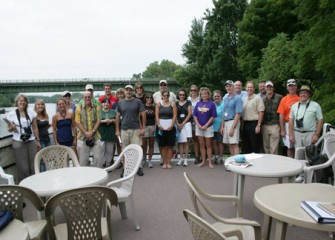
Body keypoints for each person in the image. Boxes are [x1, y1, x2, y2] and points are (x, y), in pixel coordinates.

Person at [289, 85, 323, 183]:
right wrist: (291, 134)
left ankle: (311, 176)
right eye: (301, 93)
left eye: (305, 93)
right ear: (299, 94)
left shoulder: (315, 105)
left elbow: (320, 120)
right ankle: (301, 175)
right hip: (297, 133)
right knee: (299, 155)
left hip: (310, 133)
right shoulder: (295, 106)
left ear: (309, 94)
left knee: (310, 155)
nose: (303, 94)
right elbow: (291, 120)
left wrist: (317, 134)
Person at [6, 94, 41, 181]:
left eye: (24, 100)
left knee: (34, 165)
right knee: (23, 167)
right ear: (17, 102)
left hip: (31, 141)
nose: (22, 102)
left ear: (26, 102)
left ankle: (35, 183)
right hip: (18, 141)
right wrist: (12, 128)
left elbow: (35, 128)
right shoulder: (11, 114)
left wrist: (38, 140)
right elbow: (9, 130)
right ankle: (24, 186)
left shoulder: (31, 113)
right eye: (20, 100)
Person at [116, 85, 146, 176]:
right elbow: (117, 116)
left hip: (136, 129)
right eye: (127, 90)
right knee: (125, 150)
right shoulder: (120, 102)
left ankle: (138, 167)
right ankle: (125, 168)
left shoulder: (137, 101)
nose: (128, 91)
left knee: (137, 149)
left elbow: (143, 114)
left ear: (132, 91)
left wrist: (143, 128)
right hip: (124, 130)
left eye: (130, 90)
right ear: (124, 91)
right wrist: (117, 129)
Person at [75, 91, 102, 167]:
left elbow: (98, 120)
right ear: (83, 98)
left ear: (91, 97)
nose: (87, 98)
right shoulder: (78, 108)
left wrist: (92, 132)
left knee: (98, 158)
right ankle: (85, 176)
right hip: (82, 137)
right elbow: (77, 122)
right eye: (85, 97)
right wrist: (85, 133)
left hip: (95, 136)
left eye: (89, 97)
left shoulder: (96, 107)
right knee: (83, 161)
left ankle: (97, 175)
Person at [193, 87, 217, 168]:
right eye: (202, 94)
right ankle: (203, 161)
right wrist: (198, 125)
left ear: (208, 94)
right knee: (201, 144)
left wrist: (206, 125)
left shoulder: (211, 104)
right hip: (199, 127)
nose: (204, 95)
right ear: (200, 95)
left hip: (208, 127)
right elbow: (194, 115)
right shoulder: (198, 103)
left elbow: (213, 116)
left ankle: (210, 162)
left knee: (208, 144)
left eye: (205, 93)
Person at [277, 79, 300, 157]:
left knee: (298, 147)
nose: (291, 88)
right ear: (287, 88)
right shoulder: (284, 99)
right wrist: (282, 130)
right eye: (290, 86)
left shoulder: (300, 98)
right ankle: (291, 164)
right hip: (287, 125)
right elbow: (281, 115)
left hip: (298, 125)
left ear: (296, 87)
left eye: (293, 86)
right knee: (289, 147)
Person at [220, 80, 243, 156]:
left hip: (233, 121)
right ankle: (233, 159)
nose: (228, 88)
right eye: (227, 86)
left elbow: (238, 114)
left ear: (233, 87)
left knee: (234, 143)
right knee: (228, 143)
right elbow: (224, 113)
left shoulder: (237, 98)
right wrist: (222, 126)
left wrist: (233, 127)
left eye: (230, 86)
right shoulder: (225, 98)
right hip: (226, 122)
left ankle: (236, 161)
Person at [155, 89, 177, 169]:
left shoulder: (173, 104)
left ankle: (168, 162)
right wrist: (159, 124)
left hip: (170, 127)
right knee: (163, 146)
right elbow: (157, 115)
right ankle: (164, 162)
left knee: (170, 145)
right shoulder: (158, 104)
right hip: (161, 128)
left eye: (167, 95)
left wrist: (172, 125)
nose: (166, 97)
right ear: (162, 96)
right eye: (164, 95)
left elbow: (174, 115)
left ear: (169, 96)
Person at [241, 81, 265, 153]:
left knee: (255, 145)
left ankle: (256, 163)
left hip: (254, 123)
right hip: (245, 124)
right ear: (245, 88)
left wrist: (258, 125)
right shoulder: (244, 99)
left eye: (251, 87)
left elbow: (261, 112)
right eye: (248, 87)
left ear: (254, 89)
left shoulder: (257, 98)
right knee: (246, 145)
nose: (249, 89)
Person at [261, 81, 283, 154]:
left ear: (273, 88)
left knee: (274, 148)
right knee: (266, 147)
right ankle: (268, 163)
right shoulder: (263, 99)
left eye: (270, 87)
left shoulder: (279, 97)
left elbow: (282, 112)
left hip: (275, 124)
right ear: (265, 88)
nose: (269, 88)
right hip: (265, 125)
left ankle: (274, 163)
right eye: (267, 87)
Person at [176, 88, 192, 167]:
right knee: (180, 142)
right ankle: (180, 159)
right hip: (178, 124)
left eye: (183, 94)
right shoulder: (176, 103)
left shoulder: (188, 102)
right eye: (180, 94)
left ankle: (186, 159)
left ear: (185, 95)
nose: (182, 96)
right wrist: (178, 124)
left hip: (186, 124)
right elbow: (174, 114)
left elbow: (189, 114)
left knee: (186, 142)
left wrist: (183, 123)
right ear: (178, 95)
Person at [99, 98, 116, 167]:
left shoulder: (113, 111)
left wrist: (111, 120)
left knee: (110, 150)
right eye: (104, 102)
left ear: (109, 104)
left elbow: (117, 120)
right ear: (101, 104)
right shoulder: (98, 112)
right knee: (101, 150)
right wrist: (104, 121)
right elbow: (95, 121)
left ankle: (108, 164)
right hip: (101, 134)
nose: (106, 104)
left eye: (107, 102)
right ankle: (102, 163)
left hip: (110, 134)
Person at [187, 85, 200, 164]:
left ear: (197, 91)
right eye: (192, 90)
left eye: (195, 90)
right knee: (187, 140)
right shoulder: (187, 99)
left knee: (196, 140)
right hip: (188, 121)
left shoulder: (199, 100)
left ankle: (197, 156)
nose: (193, 92)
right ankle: (185, 157)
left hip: (197, 121)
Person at [142, 94, 155, 168]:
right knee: (144, 145)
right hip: (144, 127)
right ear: (145, 99)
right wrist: (141, 128)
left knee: (151, 144)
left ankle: (150, 160)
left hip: (152, 126)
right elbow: (139, 117)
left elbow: (156, 117)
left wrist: (155, 127)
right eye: (147, 97)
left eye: (150, 98)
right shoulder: (142, 107)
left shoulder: (154, 107)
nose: (149, 99)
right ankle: (144, 159)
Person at [212, 90, 225, 164]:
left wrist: (221, 127)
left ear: (221, 97)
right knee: (214, 142)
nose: (216, 97)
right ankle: (216, 156)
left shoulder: (223, 104)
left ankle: (220, 157)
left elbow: (224, 116)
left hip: (220, 127)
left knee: (220, 142)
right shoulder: (212, 104)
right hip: (212, 127)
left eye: (218, 96)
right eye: (215, 96)